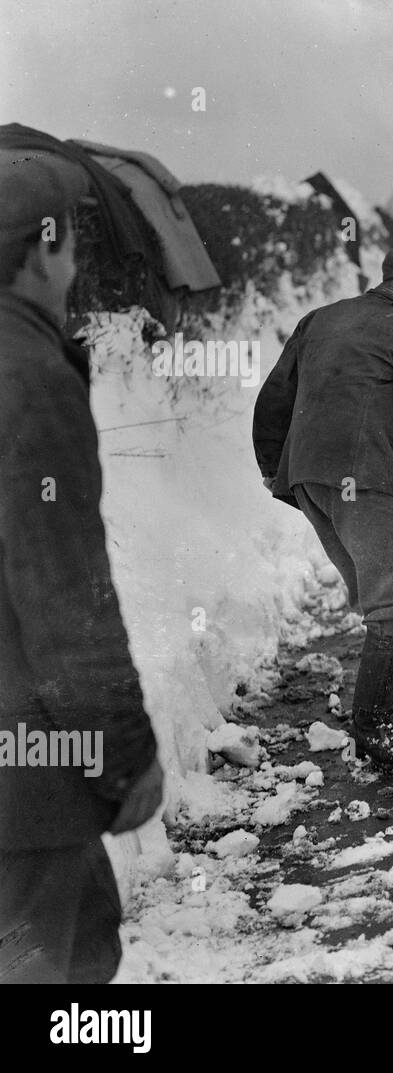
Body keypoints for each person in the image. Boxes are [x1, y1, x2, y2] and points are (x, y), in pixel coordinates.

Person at [0, 152, 163, 984]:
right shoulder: (29, 382)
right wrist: (125, 757)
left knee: (89, 945)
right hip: (25, 785)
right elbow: (66, 603)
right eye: (68, 245)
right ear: (39, 249)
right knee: (56, 965)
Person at [253, 247, 393, 774]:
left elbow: (275, 396)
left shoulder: (321, 318)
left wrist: (273, 465)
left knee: (375, 587)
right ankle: (372, 726)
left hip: (307, 476)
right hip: (363, 477)